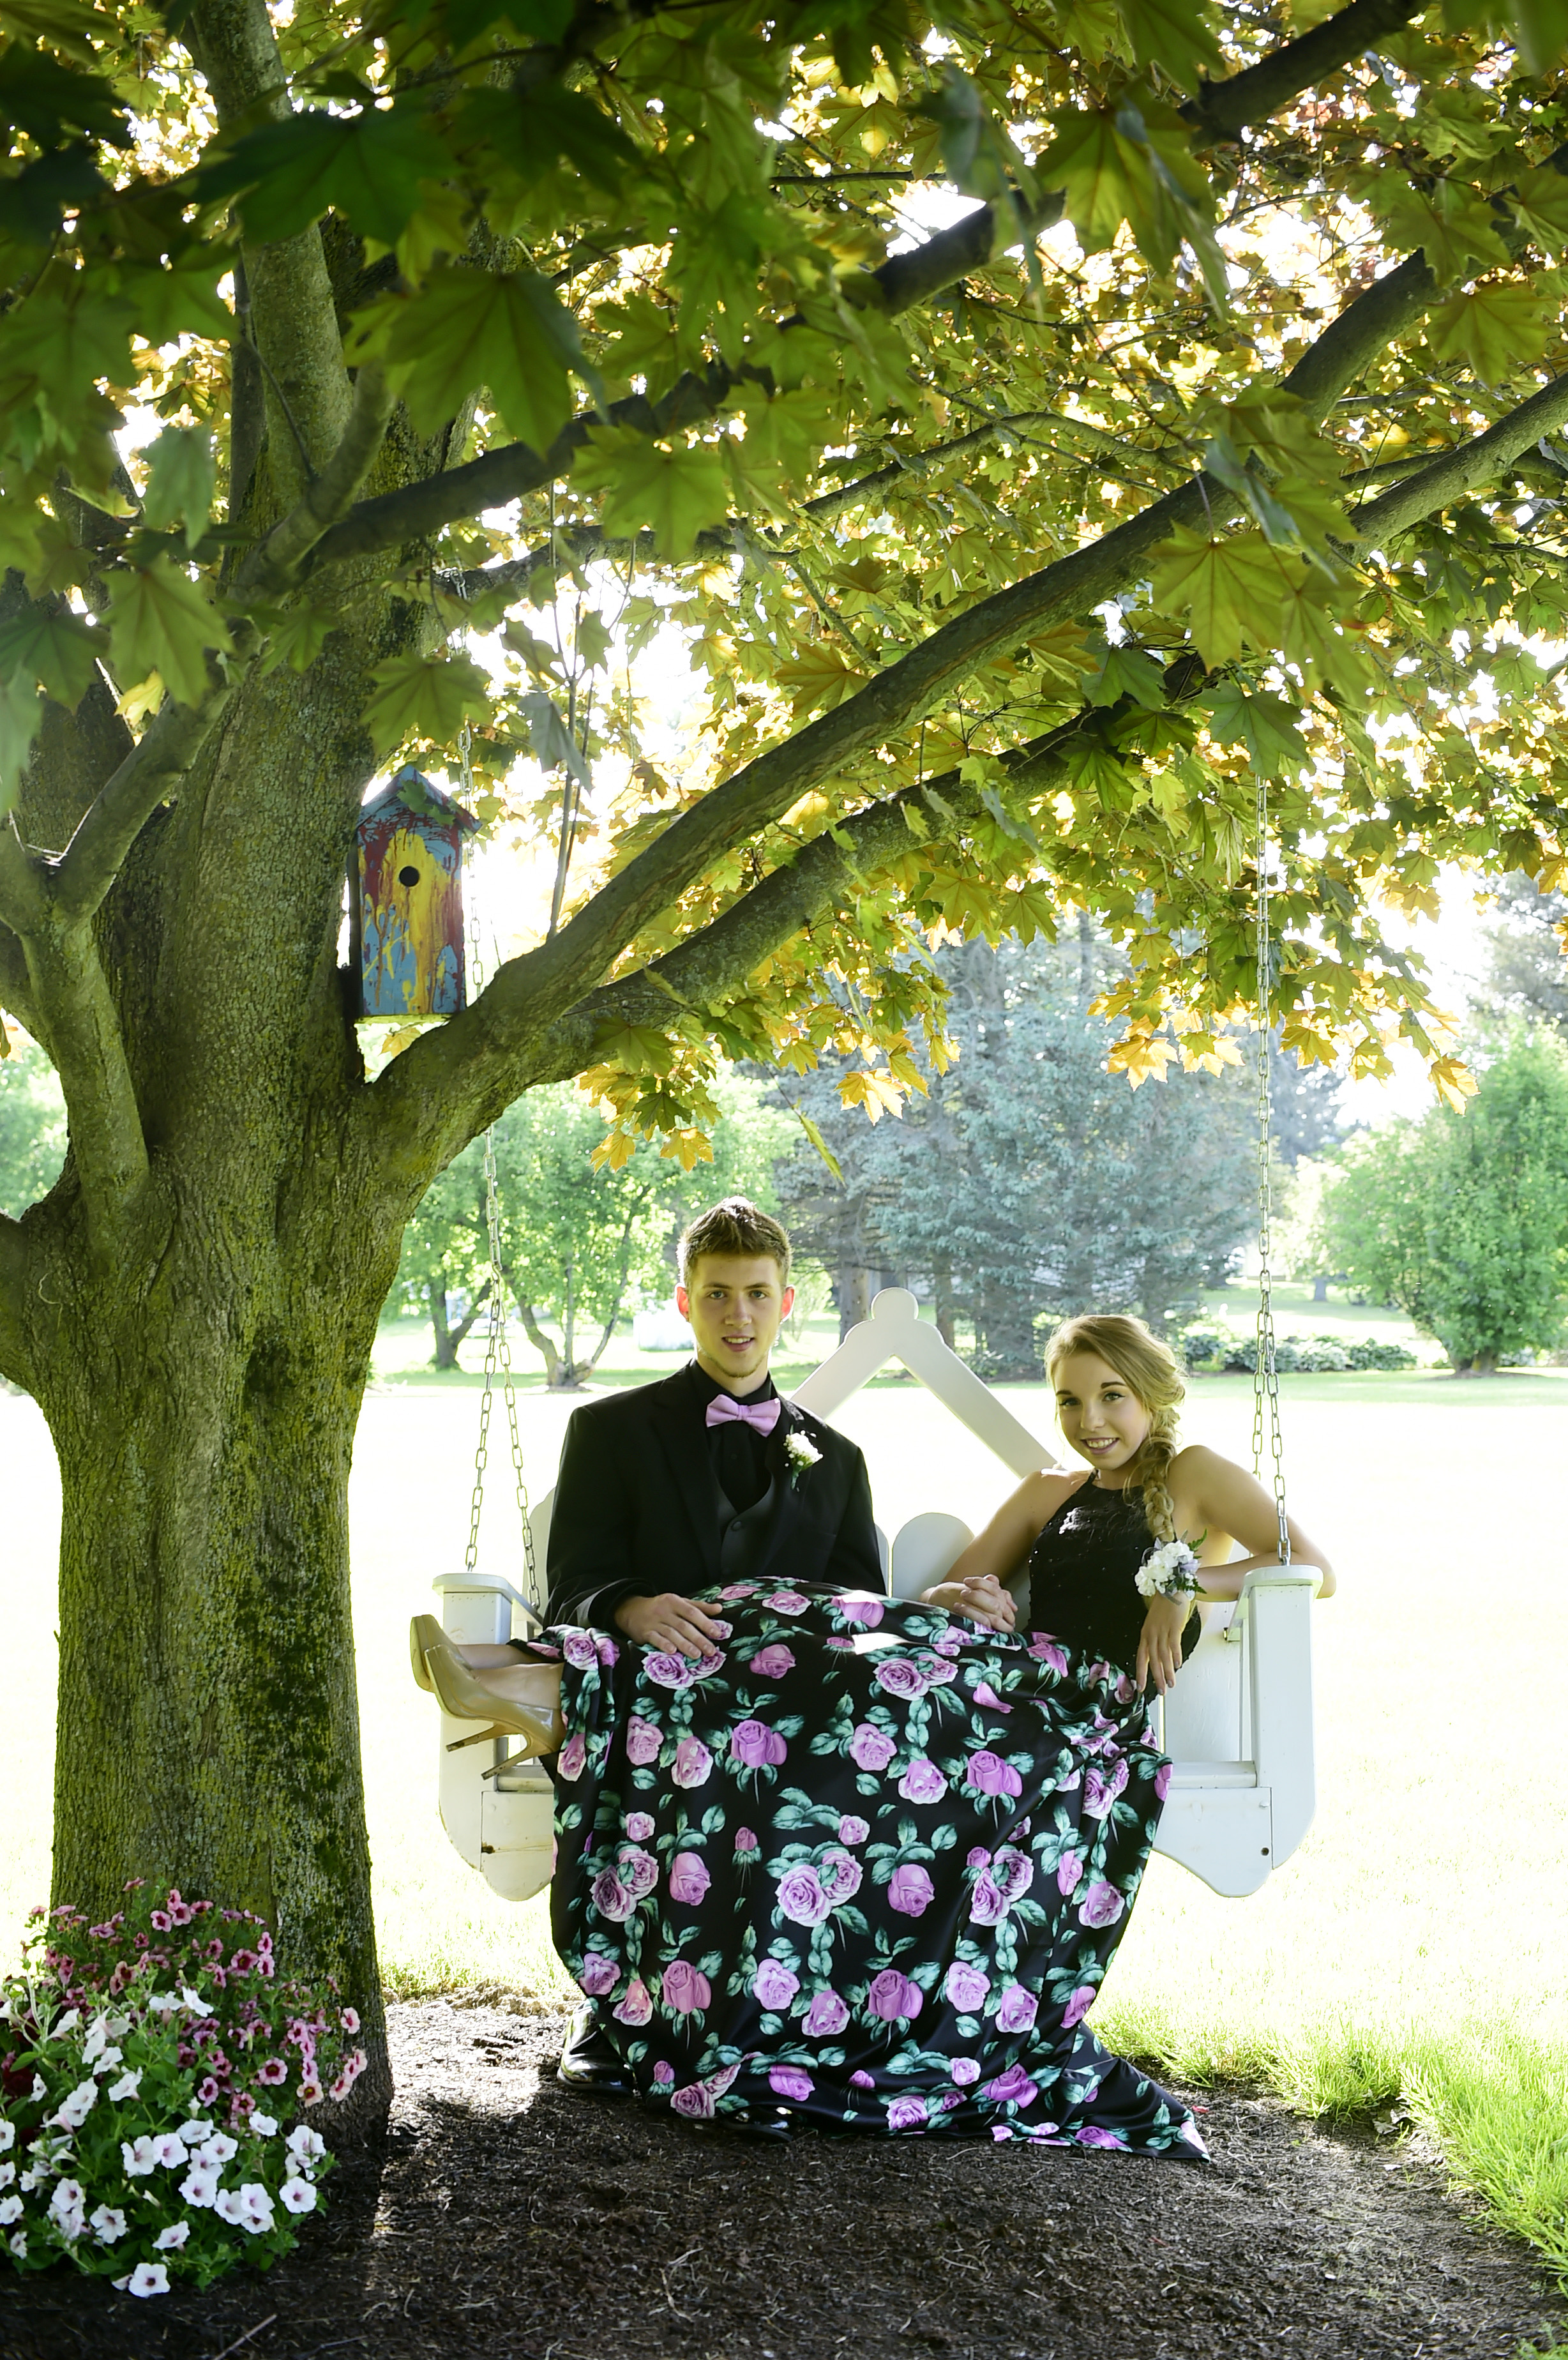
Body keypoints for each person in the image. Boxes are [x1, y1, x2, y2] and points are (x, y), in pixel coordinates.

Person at [449, 1294, 1333, 2152]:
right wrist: (977, 1598)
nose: (1090, 1420)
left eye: (1112, 1396)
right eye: (1069, 1400)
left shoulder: (1193, 1475)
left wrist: (1183, 1581)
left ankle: (555, 1691)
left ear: (1152, 1394)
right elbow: (936, 1597)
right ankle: (558, 1671)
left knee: (869, 1692)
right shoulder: (1049, 1490)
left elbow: (1311, 1566)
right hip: (1008, 1674)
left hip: (1080, 1712)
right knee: (804, 1616)